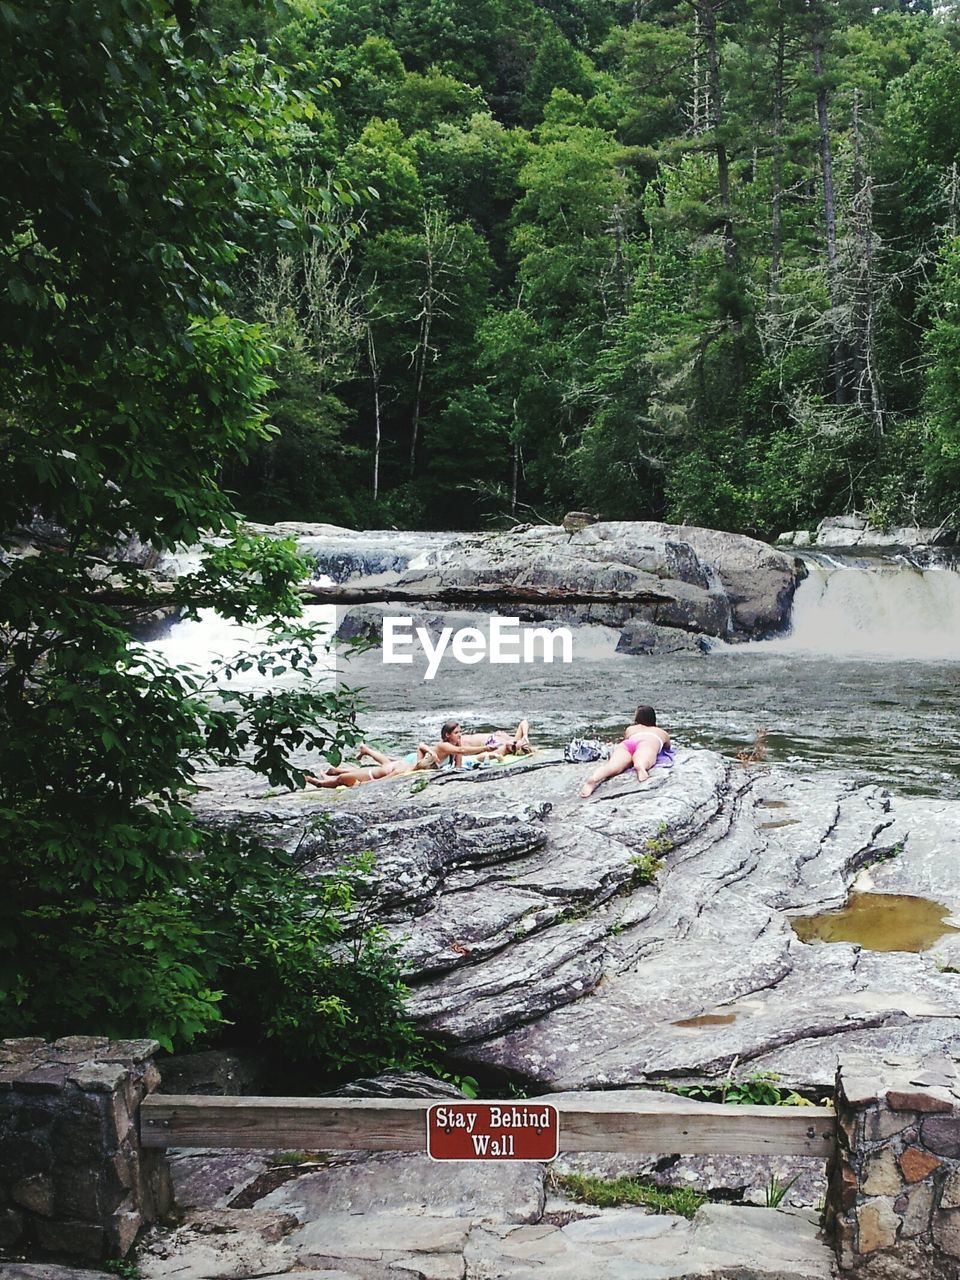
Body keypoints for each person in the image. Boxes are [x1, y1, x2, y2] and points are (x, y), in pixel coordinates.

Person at [579, 705, 670, 798]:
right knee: (643, 756)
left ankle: (594, 778)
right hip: (647, 742)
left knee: (613, 765)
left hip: (628, 744)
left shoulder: (630, 729)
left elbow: (626, 739)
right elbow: (667, 747)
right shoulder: (661, 732)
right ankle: (641, 766)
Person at [305, 743, 437, 789]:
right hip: (377, 770)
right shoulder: (412, 764)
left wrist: (362, 786)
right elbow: (421, 746)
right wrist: (430, 752)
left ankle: (319, 783)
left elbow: (382, 781)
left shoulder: (404, 770)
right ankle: (327, 778)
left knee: (342, 779)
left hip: (370, 776)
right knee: (385, 762)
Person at [434, 718, 532, 767]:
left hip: (461, 744)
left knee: (437, 752)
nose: (511, 744)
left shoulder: (503, 749)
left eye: (513, 748)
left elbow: (480, 757)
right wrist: (525, 736)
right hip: (459, 739)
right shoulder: (513, 739)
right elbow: (524, 722)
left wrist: (494, 755)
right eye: (515, 743)